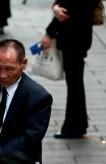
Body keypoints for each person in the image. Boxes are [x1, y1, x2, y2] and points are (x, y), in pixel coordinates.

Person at [41, 0, 99, 139]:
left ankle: (74, 127)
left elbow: (67, 8)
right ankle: (78, 124)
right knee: (75, 82)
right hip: (80, 34)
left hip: (74, 35)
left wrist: (49, 32)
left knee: (74, 84)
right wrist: (55, 7)